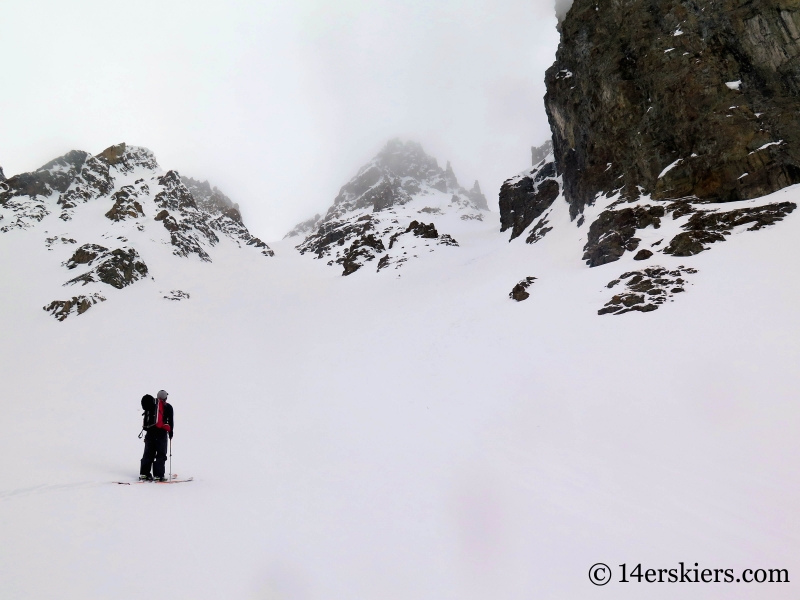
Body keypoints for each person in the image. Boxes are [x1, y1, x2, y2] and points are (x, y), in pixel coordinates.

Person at [139, 390, 174, 482]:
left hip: (150, 432)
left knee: (148, 453)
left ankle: (144, 474)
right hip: (161, 433)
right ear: (165, 397)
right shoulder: (168, 407)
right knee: (160, 454)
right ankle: (158, 475)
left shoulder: (151, 405)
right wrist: (171, 433)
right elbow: (171, 421)